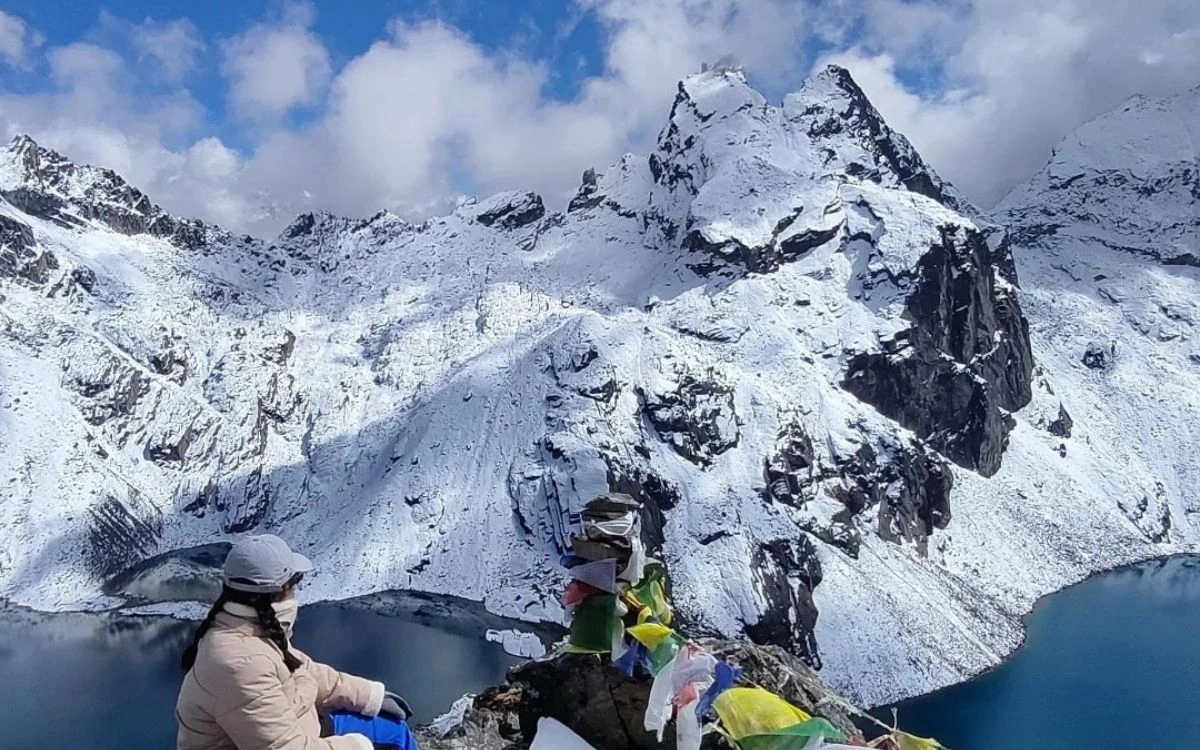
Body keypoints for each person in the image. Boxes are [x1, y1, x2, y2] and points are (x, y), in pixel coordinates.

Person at [176, 534, 419, 750]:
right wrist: (358, 745)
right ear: (279, 592)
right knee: (390, 739)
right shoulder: (240, 662)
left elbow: (305, 669)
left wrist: (369, 695)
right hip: (293, 739)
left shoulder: (251, 629)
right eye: (295, 582)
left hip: (299, 726)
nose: (297, 591)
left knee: (394, 730)